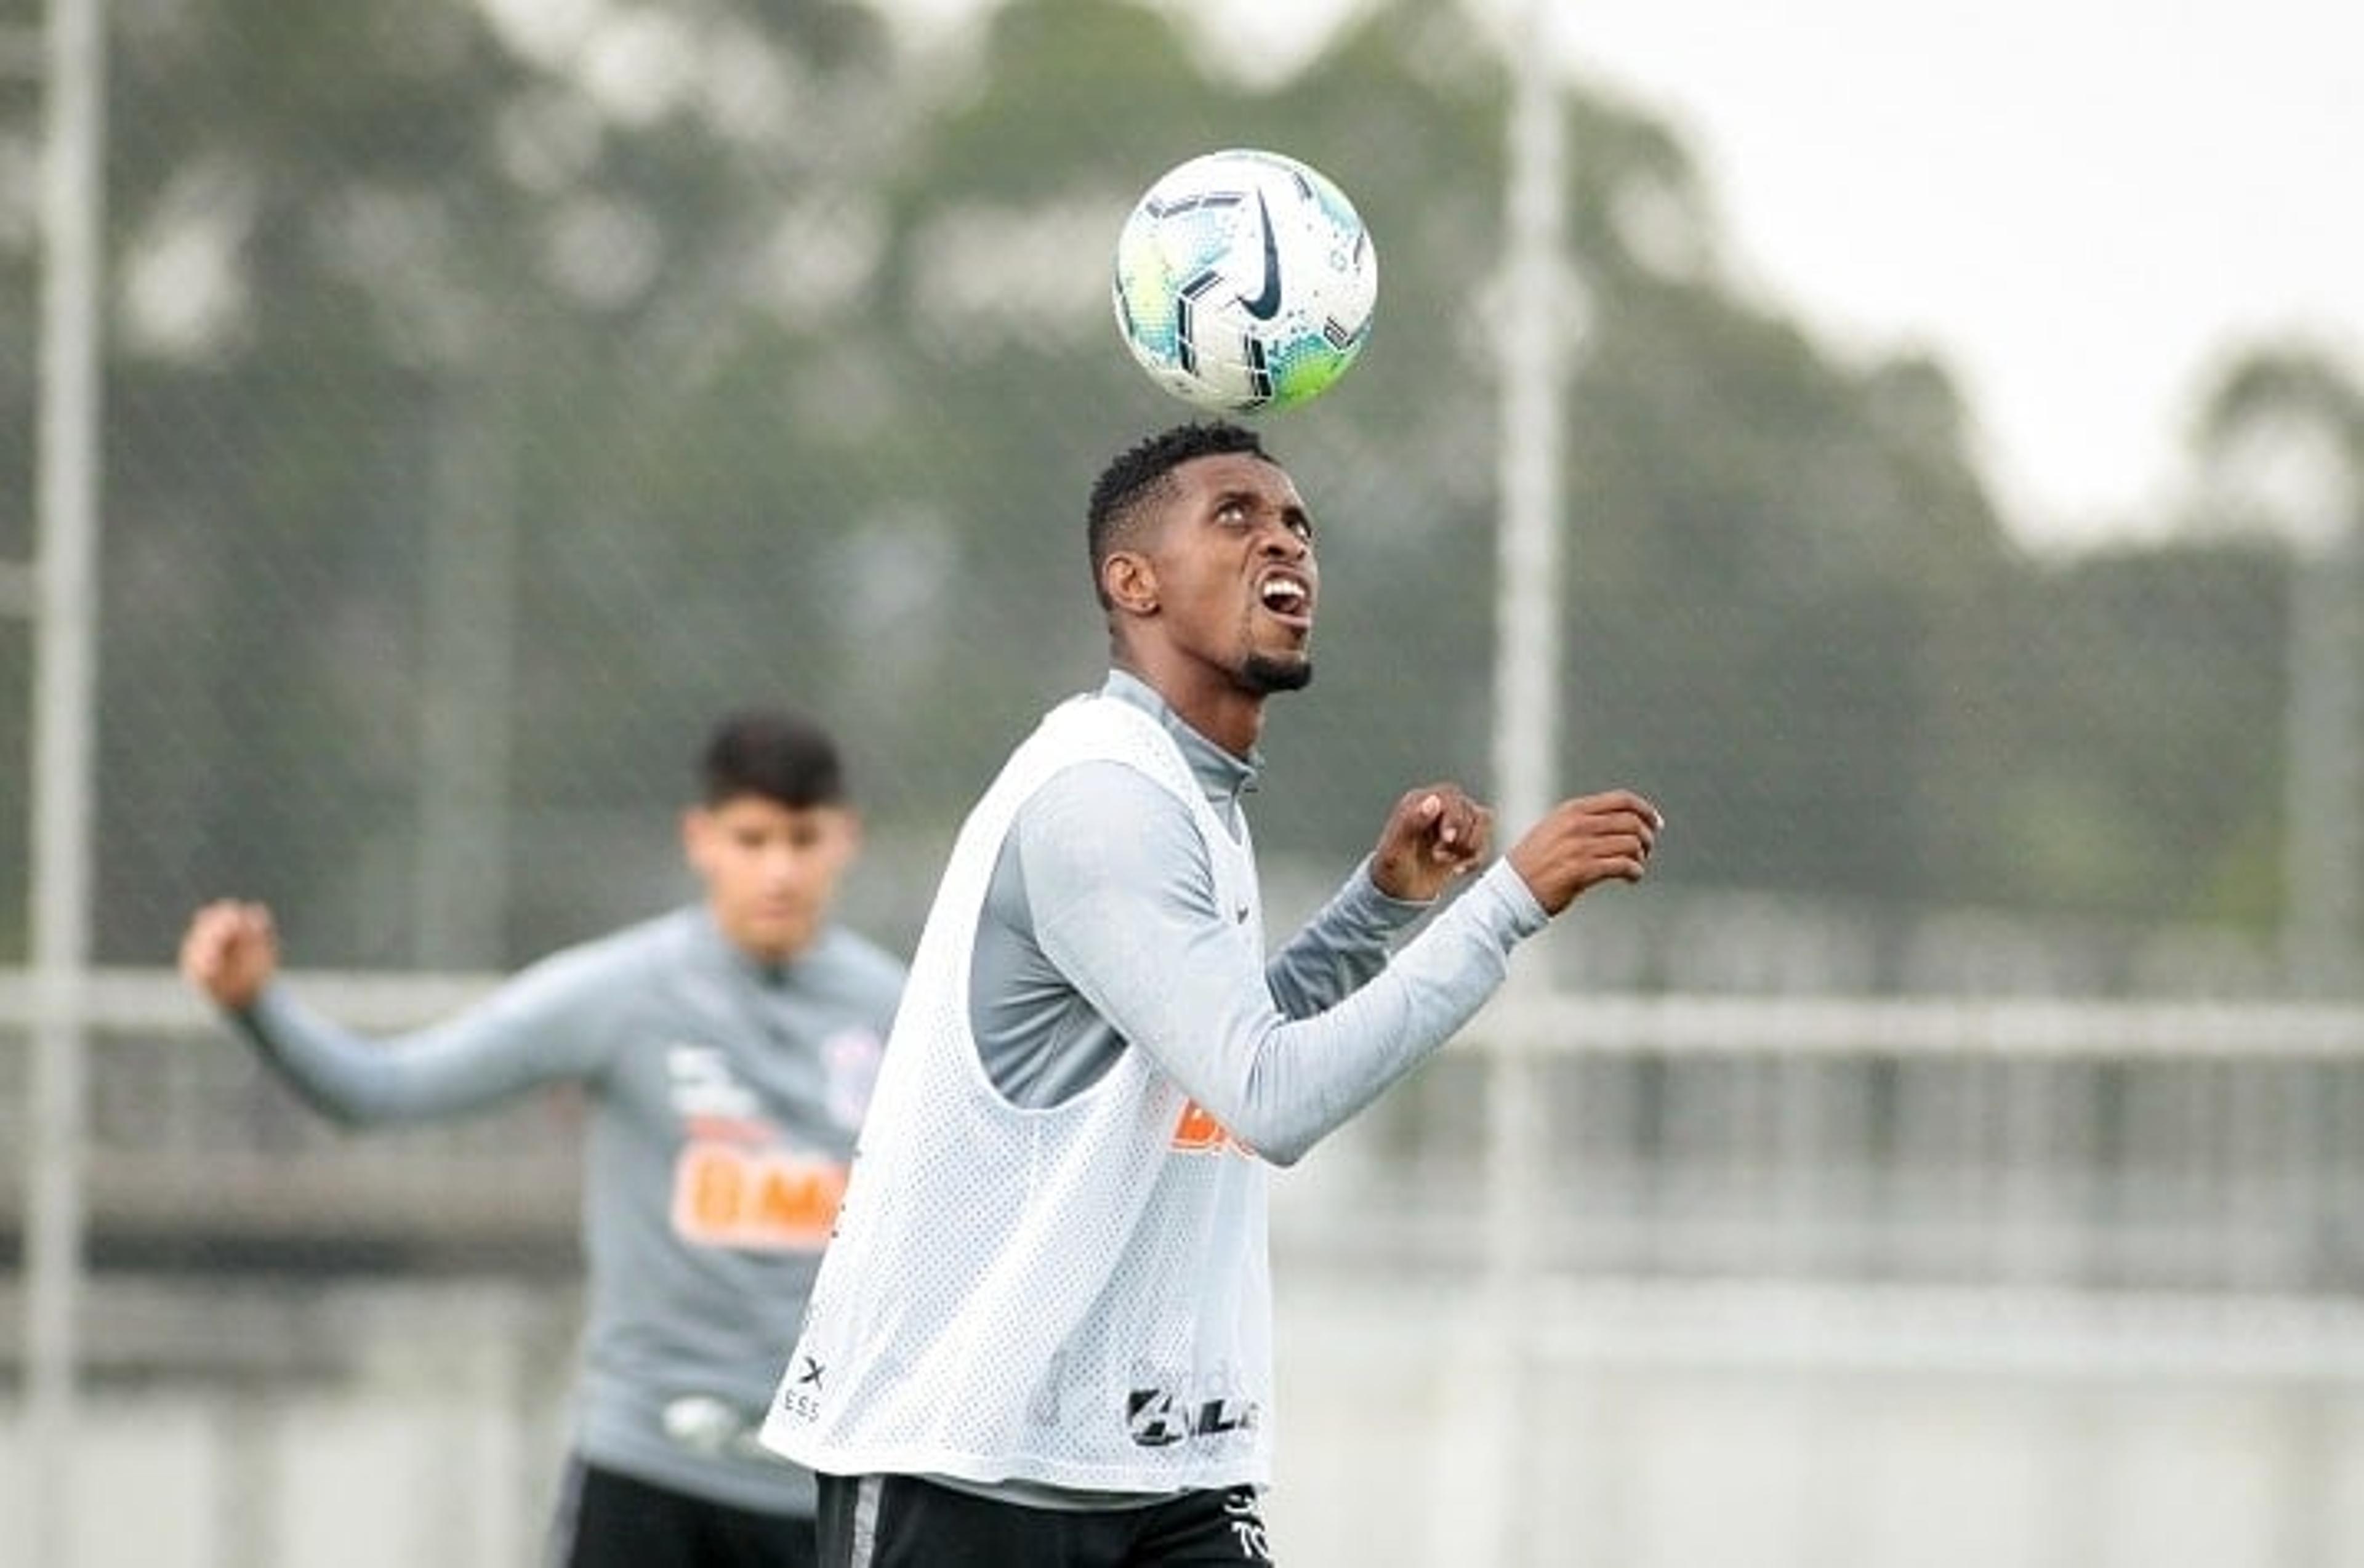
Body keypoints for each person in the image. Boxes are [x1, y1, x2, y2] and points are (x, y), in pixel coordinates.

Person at [761, 421, 1661, 1566]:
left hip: (1152, 1472)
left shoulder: (1194, 798)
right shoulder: (1102, 798)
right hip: (968, 1469)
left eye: (1296, 523)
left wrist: (1379, 908)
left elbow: (1205, 1065)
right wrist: (1507, 903)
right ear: (1130, 581)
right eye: (1234, 517)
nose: (1281, 541)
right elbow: (1268, 1098)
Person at [177, 709, 906, 1568]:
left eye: (801, 838)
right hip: (647, 1474)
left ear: (845, 839)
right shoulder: (620, 994)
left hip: (821, 1482)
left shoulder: (905, 1012)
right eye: (751, 839)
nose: (778, 869)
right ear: (700, 839)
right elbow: (381, 1092)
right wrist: (256, 1008)